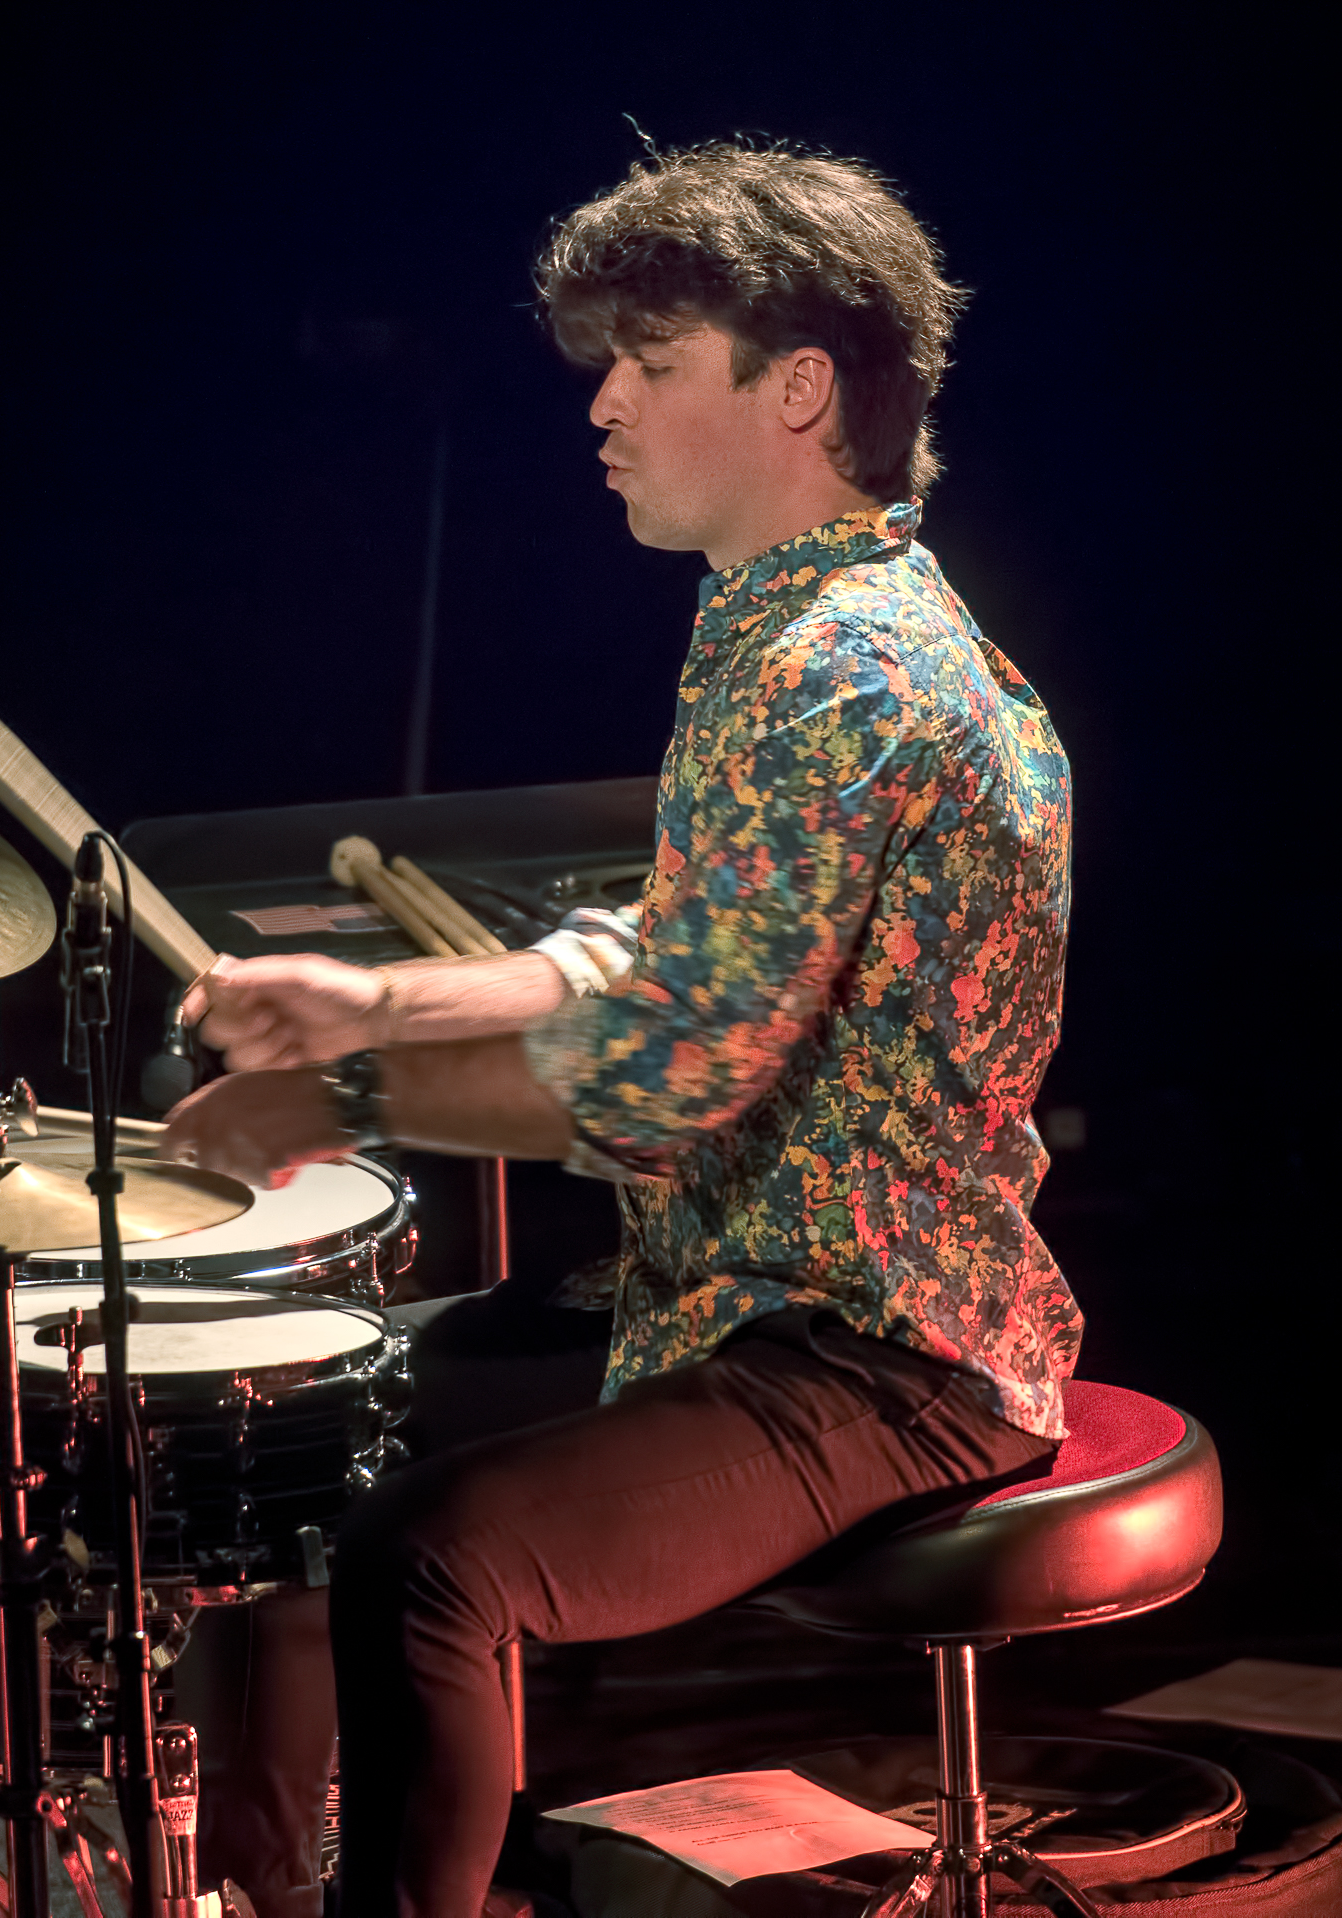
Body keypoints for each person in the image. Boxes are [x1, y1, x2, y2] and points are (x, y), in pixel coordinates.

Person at [158, 143, 1081, 1918]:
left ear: (798, 387)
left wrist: (336, 1090)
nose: (603, 403)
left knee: (430, 1558)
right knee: (267, 1435)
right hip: (738, 1291)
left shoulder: (853, 671)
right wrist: (379, 997)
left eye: (652, 360)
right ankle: (256, 1893)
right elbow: (662, 949)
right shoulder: (781, 629)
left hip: (889, 1348)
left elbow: (676, 1070)